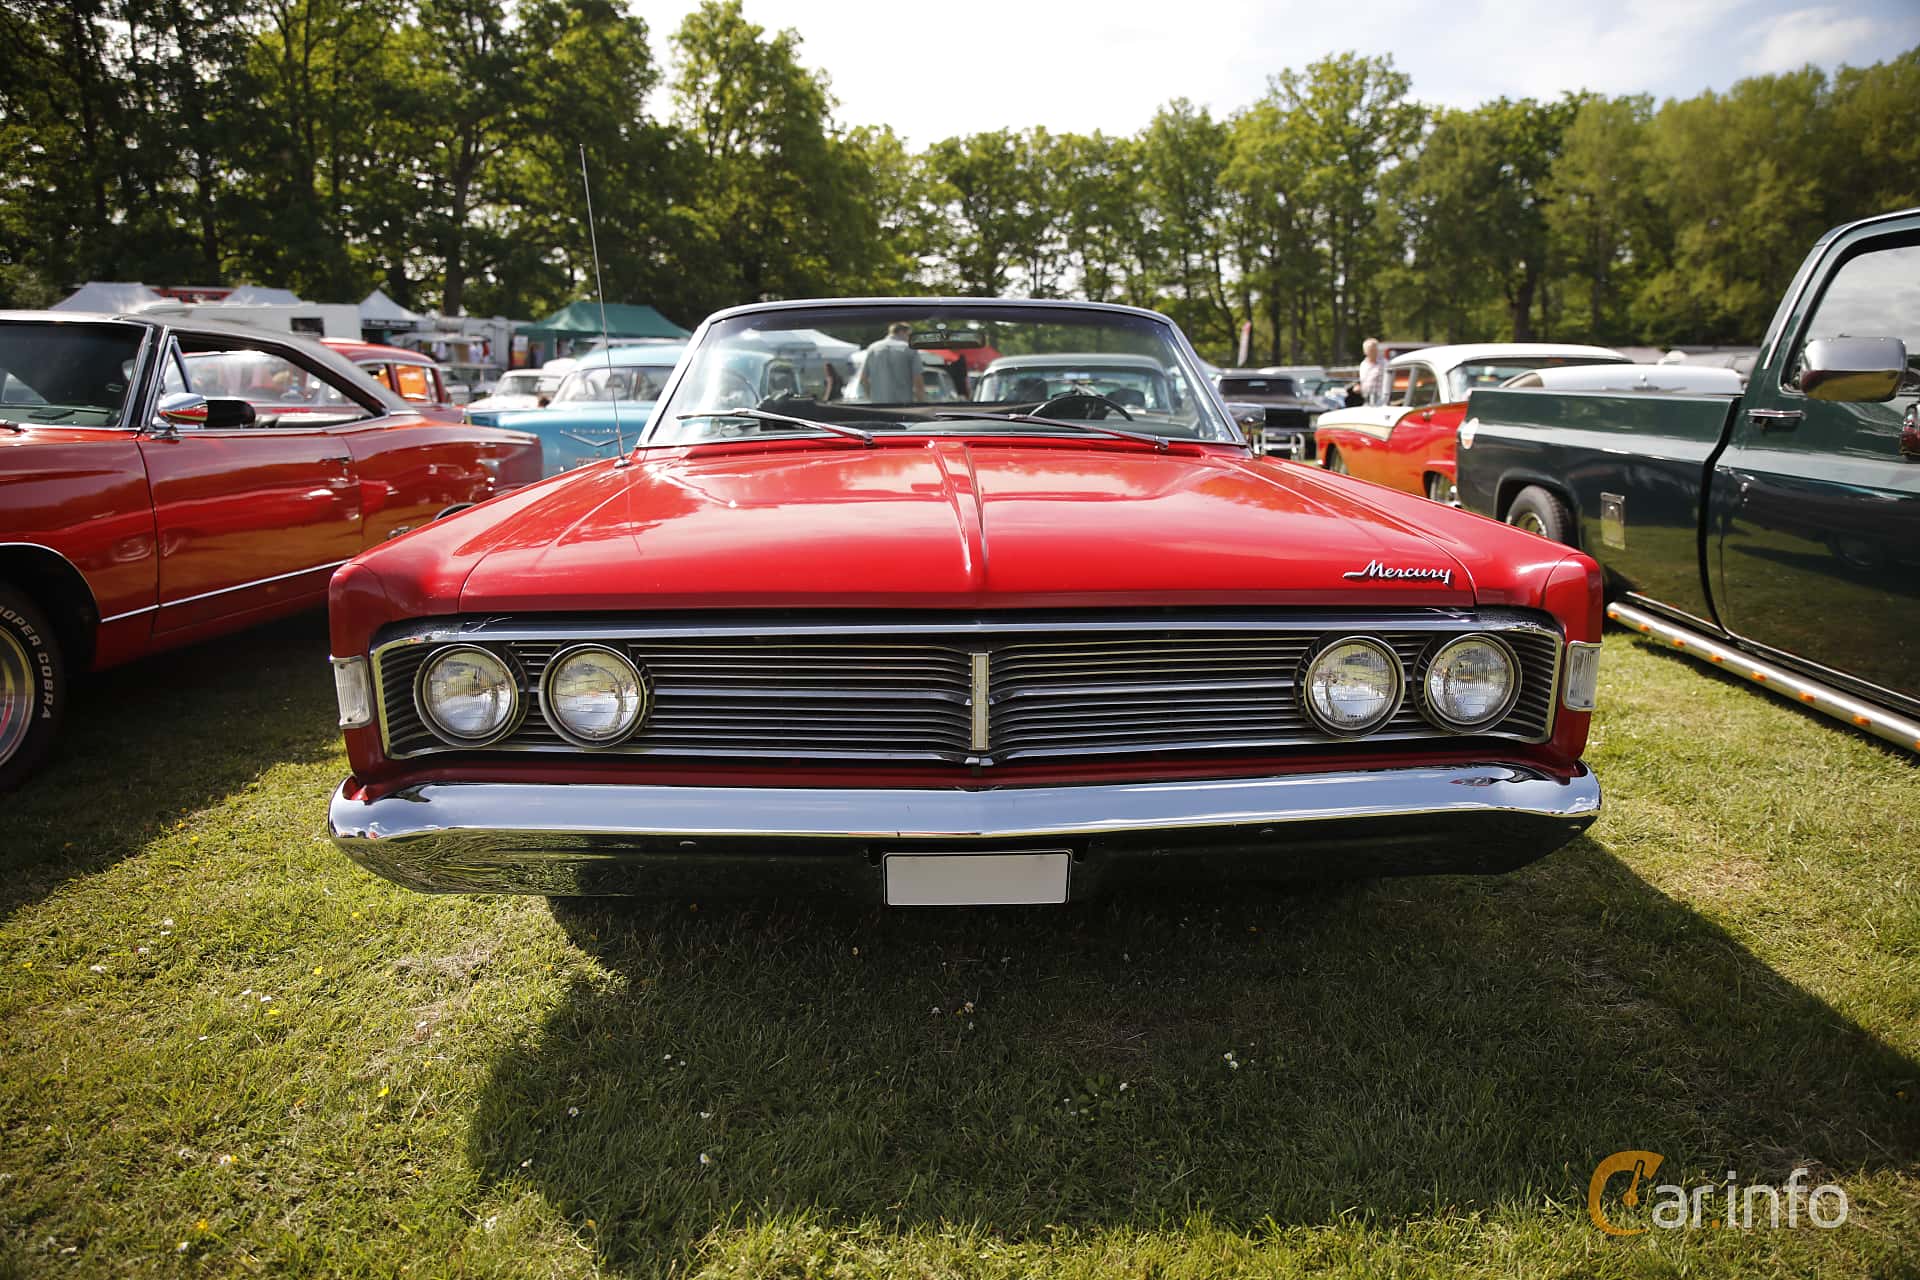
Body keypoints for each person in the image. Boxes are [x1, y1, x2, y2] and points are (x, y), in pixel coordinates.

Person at [854, 322, 926, 405]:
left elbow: (863, 379)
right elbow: (918, 380)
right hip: (903, 406)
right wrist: (921, 403)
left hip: (878, 406)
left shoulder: (873, 347)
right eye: (909, 335)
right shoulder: (909, 348)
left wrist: (871, 397)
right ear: (902, 332)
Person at [1354, 338, 1389, 406]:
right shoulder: (1363, 364)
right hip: (1366, 399)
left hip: (1381, 399)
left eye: (1374, 349)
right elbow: (1363, 381)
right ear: (1365, 351)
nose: (1373, 352)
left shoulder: (1384, 363)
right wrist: (1358, 387)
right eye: (1370, 350)